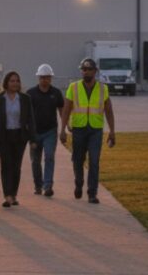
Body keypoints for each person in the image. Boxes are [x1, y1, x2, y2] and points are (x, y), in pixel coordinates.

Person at [60, 57, 116, 204]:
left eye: (89, 69)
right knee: (78, 159)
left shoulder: (103, 89)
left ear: (95, 71)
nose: (86, 72)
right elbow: (66, 109)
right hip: (78, 129)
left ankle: (92, 193)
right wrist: (62, 129)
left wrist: (112, 131)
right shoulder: (73, 87)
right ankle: (78, 183)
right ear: (81, 71)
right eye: (84, 69)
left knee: (94, 160)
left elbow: (109, 111)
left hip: (95, 130)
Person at [0, 71, 36, 208]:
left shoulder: (25, 98)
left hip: (19, 137)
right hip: (3, 137)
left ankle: (13, 194)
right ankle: (7, 195)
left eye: (17, 81)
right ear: (6, 83)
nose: (15, 83)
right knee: (6, 165)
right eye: (12, 81)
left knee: (16, 167)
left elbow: (30, 120)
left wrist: (33, 139)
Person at [27, 64, 64, 197]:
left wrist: (65, 126)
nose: (45, 80)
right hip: (34, 132)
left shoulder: (56, 93)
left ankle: (47, 186)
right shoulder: (30, 94)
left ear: (51, 78)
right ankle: (38, 185)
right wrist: (27, 132)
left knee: (49, 156)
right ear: (38, 78)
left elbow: (61, 110)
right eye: (42, 77)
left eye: (47, 77)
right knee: (35, 160)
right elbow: (25, 114)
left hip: (50, 131)